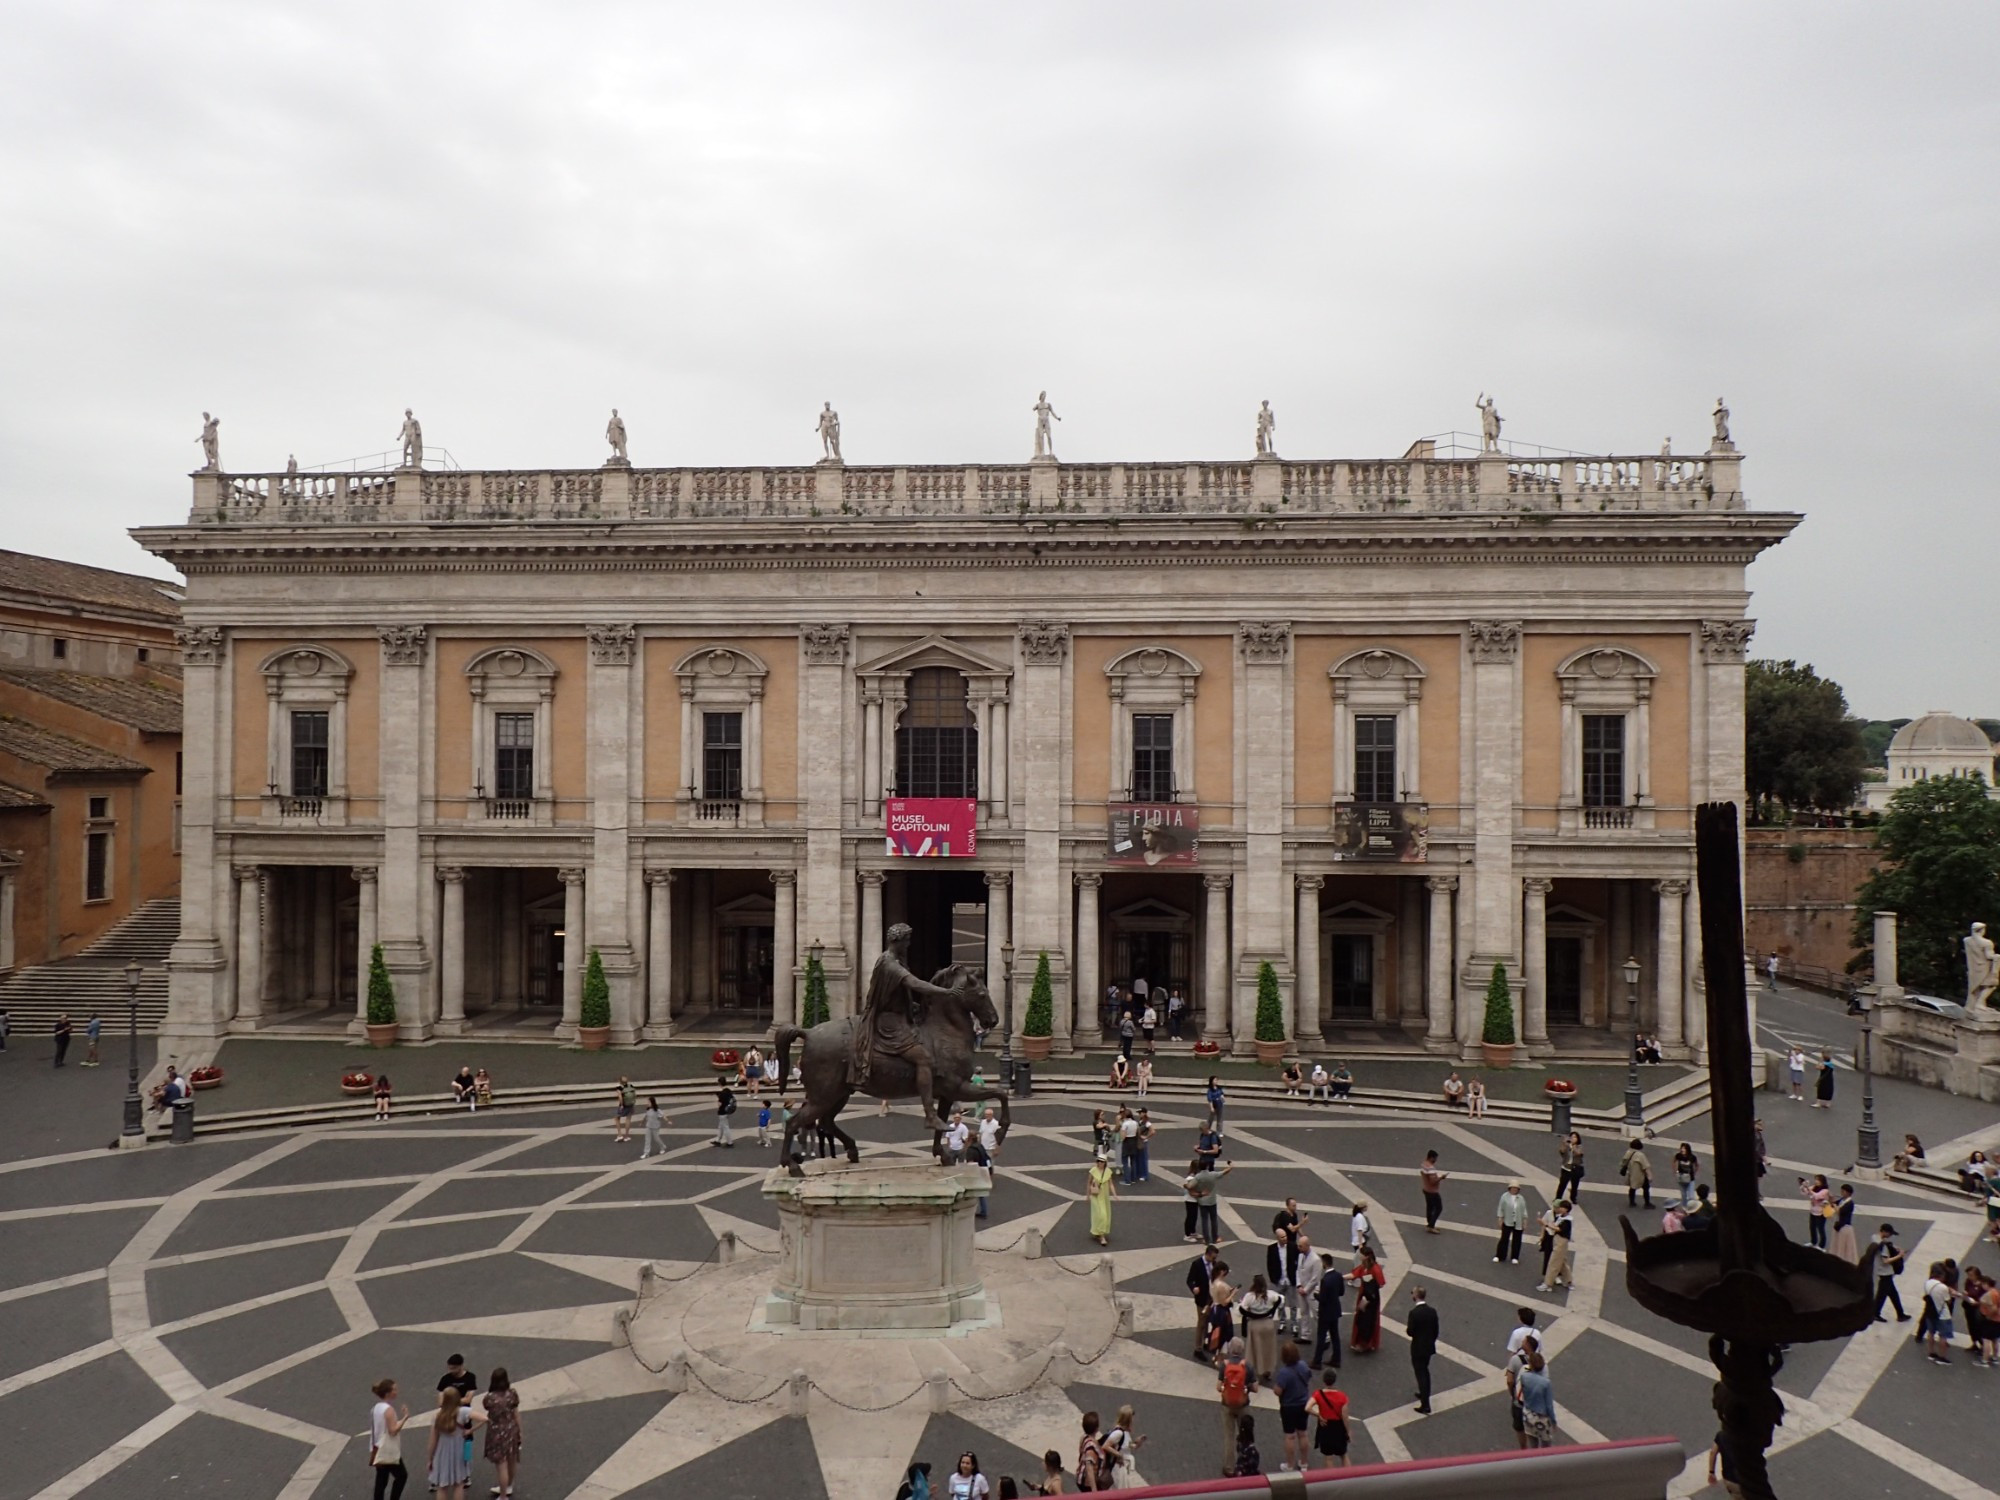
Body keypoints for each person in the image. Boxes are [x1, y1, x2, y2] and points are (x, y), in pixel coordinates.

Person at [426, 1388, 482, 1500]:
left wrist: (430, 1459)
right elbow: (485, 1418)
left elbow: (433, 1441)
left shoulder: (437, 1416)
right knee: (459, 1484)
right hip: (459, 1451)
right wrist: (470, 1430)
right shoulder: (463, 1412)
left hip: (442, 1453)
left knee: (442, 1487)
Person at [1272, 1342, 1313, 1471]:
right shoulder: (1303, 1365)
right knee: (1303, 1433)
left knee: (1290, 1436)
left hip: (1289, 1406)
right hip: (1303, 1404)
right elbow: (1308, 1376)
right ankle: (1304, 1462)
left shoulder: (1284, 1373)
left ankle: (1289, 1465)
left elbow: (1278, 1391)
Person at [1214, 1340, 1252, 1475]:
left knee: (1229, 1436)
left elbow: (1218, 1387)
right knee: (1245, 1435)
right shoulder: (1247, 1365)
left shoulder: (1224, 1366)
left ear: (1230, 1350)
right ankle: (1246, 1463)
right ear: (1242, 1350)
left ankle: (1229, 1467)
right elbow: (1256, 1387)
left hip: (1227, 1405)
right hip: (1243, 1404)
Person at [482, 1368, 521, 1500]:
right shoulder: (512, 1394)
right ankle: (509, 1485)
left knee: (501, 1464)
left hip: (497, 1432)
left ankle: (503, 1496)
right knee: (512, 1459)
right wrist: (520, 1431)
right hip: (512, 1429)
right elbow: (516, 1414)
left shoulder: (489, 1399)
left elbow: (487, 1409)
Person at [369, 1377, 410, 1500]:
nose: (397, 1392)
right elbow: (393, 1430)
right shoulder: (389, 1410)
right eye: (395, 1389)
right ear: (388, 1393)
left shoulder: (375, 1408)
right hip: (387, 1448)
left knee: (381, 1479)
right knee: (402, 1476)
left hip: (377, 1447)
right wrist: (405, 1418)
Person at [1240, 1273, 1282, 1384]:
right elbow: (1281, 1300)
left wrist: (1250, 1312)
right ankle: (1267, 1371)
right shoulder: (1271, 1295)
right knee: (1268, 1349)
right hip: (1268, 1325)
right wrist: (1271, 1310)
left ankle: (1252, 1371)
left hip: (1255, 1325)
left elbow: (1241, 1310)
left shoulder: (1250, 1297)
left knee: (1253, 1350)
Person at [1309, 1366, 1350, 1469]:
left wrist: (1319, 1415)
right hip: (1338, 1428)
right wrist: (1348, 1431)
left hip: (1325, 1426)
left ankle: (1332, 1479)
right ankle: (1350, 1477)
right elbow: (1345, 1416)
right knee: (1343, 1454)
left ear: (1324, 1380)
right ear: (1335, 1380)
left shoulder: (1318, 1394)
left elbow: (1307, 1407)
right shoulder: (1342, 1396)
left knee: (1328, 1457)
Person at [1406, 1285, 1439, 1414]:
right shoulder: (1432, 1311)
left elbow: (1410, 1331)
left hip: (1418, 1348)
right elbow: (1436, 1331)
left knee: (1421, 1374)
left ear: (1415, 1296)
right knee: (1425, 1371)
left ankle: (1425, 1404)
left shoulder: (1414, 1313)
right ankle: (1424, 1394)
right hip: (1428, 1347)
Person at [1504, 1332, 1539, 1450]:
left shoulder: (1515, 1360)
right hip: (1534, 1402)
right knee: (1533, 1428)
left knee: (1520, 1428)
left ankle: (1523, 1449)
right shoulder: (1539, 1361)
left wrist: (1512, 1394)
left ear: (1527, 1345)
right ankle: (1535, 1451)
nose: (1522, 1342)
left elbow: (1509, 1380)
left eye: (1524, 1341)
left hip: (1519, 1401)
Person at [1309, 1252, 1344, 1369]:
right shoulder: (1338, 1276)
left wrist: (1316, 1295)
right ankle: (1336, 1359)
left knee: (1321, 1336)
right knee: (1335, 1336)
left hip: (1325, 1313)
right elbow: (1341, 1292)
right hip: (1335, 1310)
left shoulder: (1325, 1280)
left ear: (1324, 1263)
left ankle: (1317, 1361)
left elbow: (1322, 1299)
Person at [1347, 1247, 1384, 1352]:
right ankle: (1361, 1341)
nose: (1359, 1255)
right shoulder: (1364, 1266)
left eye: (1361, 1254)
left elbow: (1380, 1283)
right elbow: (1354, 1274)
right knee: (1361, 1318)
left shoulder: (1375, 1269)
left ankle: (1365, 1343)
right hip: (1364, 1294)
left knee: (1368, 1320)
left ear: (1366, 1256)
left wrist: (1370, 1289)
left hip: (1371, 1298)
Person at [1187, 1243, 1221, 1358]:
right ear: (1207, 1254)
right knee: (1201, 1323)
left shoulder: (1213, 1264)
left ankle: (1206, 1342)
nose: (1214, 1260)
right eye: (1213, 1257)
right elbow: (1190, 1279)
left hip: (1211, 1297)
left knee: (1208, 1321)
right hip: (1202, 1298)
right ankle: (1198, 1348)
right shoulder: (1197, 1264)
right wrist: (1193, 1288)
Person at [1517, 1351, 1556, 1447]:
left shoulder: (1524, 1377)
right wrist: (1553, 1421)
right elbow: (1549, 1405)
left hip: (1528, 1414)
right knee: (1546, 1446)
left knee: (1533, 1444)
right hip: (1541, 1417)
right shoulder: (1545, 1383)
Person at [1101, 1404, 1145, 1488]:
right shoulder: (1119, 1433)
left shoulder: (1125, 1432)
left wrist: (1137, 1443)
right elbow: (1105, 1446)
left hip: (1123, 1468)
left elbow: (1128, 1447)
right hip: (1117, 1469)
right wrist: (1119, 1455)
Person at [1191, 1157, 1232, 1246]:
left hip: (1202, 1201)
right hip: (1212, 1200)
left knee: (1204, 1220)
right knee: (1214, 1219)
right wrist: (1230, 1166)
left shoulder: (1198, 1177)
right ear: (1207, 1166)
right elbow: (1225, 1172)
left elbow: (1190, 1186)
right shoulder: (1213, 1175)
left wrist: (1198, 1193)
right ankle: (1215, 1237)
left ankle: (1206, 1239)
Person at [1872, 1224, 1910, 1321]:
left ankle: (1900, 1313)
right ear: (1884, 1232)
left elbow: (1883, 1242)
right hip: (1885, 1272)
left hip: (1880, 1270)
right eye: (1889, 1233)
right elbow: (1886, 1261)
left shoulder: (1874, 1238)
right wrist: (1900, 1255)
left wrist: (1893, 1247)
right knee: (1882, 1295)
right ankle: (1876, 1313)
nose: (1890, 1236)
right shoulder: (1883, 1247)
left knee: (1892, 1294)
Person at [1924, 1263, 1958, 1364]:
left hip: (1930, 1312)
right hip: (1942, 1314)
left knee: (1931, 1333)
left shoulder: (1928, 1283)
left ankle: (1931, 1352)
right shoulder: (1943, 1287)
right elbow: (1948, 1301)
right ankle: (1942, 1357)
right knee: (1943, 1336)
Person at [1538, 1201, 1574, 1292]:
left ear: (1566, 1209)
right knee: (1562, 1262)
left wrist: (1545, 1224)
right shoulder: (1560, 1217)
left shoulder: (1567, 1220)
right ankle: (1568, 1281)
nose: (1559, 1209)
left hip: (1561, 1241)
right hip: (1557, 1240)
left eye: (1562, 1207)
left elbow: (1558, 1229)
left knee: (1554, 1262)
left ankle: (1547, 1283)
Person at [1086, 1151, 1119, 1245]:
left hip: (1104, 1197)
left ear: (1105, 1163)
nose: (1100, 1163)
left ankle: (1098, 1232)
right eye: (1098, 1161)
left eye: (1102, 1161)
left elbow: (1111, 1184)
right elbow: (1088, 1183)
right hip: (1095, 1196)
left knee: (1104, 1215)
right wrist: (1087, 1196)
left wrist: (1115, 1195)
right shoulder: (1093, 1170)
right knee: (1101, 1215)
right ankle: (1101, 1236)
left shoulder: (1108, 1172)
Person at [1494, 1181, 1528, 1263]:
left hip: (1518, 1221)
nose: (1514, 1189)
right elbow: (1501, 1208)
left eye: (1516, 1188)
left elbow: (1524, 1210)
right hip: (1507, 1220)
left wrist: (1525, 1221)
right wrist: (1500, 1218)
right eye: (1513, 1188)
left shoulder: (1521, 1198)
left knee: (1517, 1240)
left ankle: (1515, 1257)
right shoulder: (1504, 1197)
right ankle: (1500, 1255)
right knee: (1504, 1239)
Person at [1799, 1174, 1831, 1250]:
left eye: (1818, 1180)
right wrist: (1803, 1186)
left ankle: (1821, 1246)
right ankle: (1813, 1241)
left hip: (1821, 1212)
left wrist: (1809, 1190)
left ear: (1822, 1182)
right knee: (1812, 1227)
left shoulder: (1825, 1191)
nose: (1816, 1181)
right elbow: (1804, 1193)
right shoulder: (1814, 1187)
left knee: (1820, 1229)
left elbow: (1817, 1196)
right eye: (1816, 1179)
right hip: (1813, 1210)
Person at [1619, 1138, 1654, 1209]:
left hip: (1632, 1174)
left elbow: (1622, 1163)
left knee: (1632, 1188)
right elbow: (1646, 1167)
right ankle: (1647, 1203)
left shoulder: (1628, 1152)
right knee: (1646, 1188)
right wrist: (1650, 1176)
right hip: (1640, 1175)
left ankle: (1632, 1202)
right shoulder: (1641, 1155)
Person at [1419, 1150, 1448, 1234]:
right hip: (1432, 1191)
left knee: (1430, 1207)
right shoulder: (1431, 1168)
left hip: (1426, 1189)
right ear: (1432, 1157)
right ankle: (1431, 1226)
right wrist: (1441, 1178)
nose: (1436, 1160)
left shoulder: (1423, 1164)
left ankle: (1429, 1223)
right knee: (1439, 1208)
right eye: (1435, 1158)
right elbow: (1432, 1182)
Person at [1555, 1131, 1585, 1203]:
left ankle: (1573, 1198)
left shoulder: (1579, 1147)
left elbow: (1579, 1153)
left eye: (1575, 1137)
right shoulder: (1566, 1145)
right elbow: (1561, 1151)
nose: (1573, 1138)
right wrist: (1564, 1143)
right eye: (1571, 1137)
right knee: (1562, 1184)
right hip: (1566, 1168)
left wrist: (1573, 1147)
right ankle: (1558, 1198)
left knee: (1574, 1185)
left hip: (1575, 1169)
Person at [1831, 1184, 1859, 1262]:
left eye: (1843, 1191)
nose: (1841, 1193)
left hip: (1845, 1226)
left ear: (1848, 1193)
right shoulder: (1842, 1200)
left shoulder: (1850, 1203)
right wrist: (1831, 1199)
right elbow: (1833, 1204)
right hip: (1838, 1224)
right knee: (1837, 1244)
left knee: (1843, 1245)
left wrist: (1835, 1206)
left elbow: (1840, 1211)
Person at [1673, 1143, 1700, 1208]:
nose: (1682, 1150)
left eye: (1684, 1148)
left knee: (1691, 1196)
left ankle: (1692, 1208)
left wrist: (1694, 1173)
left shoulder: (1692, 1157)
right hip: (1681, 1177)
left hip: (1690, 1178)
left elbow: (1697, 1165)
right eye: (1682, 1148)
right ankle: (1684, 1208)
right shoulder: (1678, 1155)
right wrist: (1676, 1171)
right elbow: (1674, 1161)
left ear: (1687, 1149)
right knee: (1683, 1195)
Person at [1119, 1107, 1141, 1183]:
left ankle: (1127, 1180)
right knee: (1133, 1161)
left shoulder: (1125, 1124)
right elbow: (1138, 1132)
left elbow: (1123, 1136)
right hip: (1133, 1141)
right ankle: (1133, 1178)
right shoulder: (1135, 1123)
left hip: (1127, 1142)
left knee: (1125, 1162)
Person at [713, 1081, 737, 1146]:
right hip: (728, 1111)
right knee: (721, 1126)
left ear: (720, 1084)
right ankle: (718, 1140)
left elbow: (719, 1104)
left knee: (725, 1127)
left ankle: (730, 1142)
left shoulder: (722, 1094)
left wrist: (718, 1098)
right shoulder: (728, 1091)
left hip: (722, 1112)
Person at [1133, 1109, 1154, 1183]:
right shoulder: (1140, 1122)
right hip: (1139, 1141)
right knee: (1139, 1158)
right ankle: (1139, 1173)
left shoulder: (1147, 1123)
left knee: (1143, 1159)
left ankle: (1145, 1175)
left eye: (1140, 1113)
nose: (1139, 1114)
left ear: (1144, 1113)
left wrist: (1146, 1137)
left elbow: (1153, 1131)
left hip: (1143, 1142)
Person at [614, 1077, 636, 1142]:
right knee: (628, 1119)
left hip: (624, 1105)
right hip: (631, 1104)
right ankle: (627, 1136)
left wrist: (621, 1105)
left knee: (617, 1118)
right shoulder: (631, 1086)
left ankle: (620, 1135)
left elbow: (620, 1097)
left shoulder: (619, 1088)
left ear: (620, 1081)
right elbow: (635, 1094)